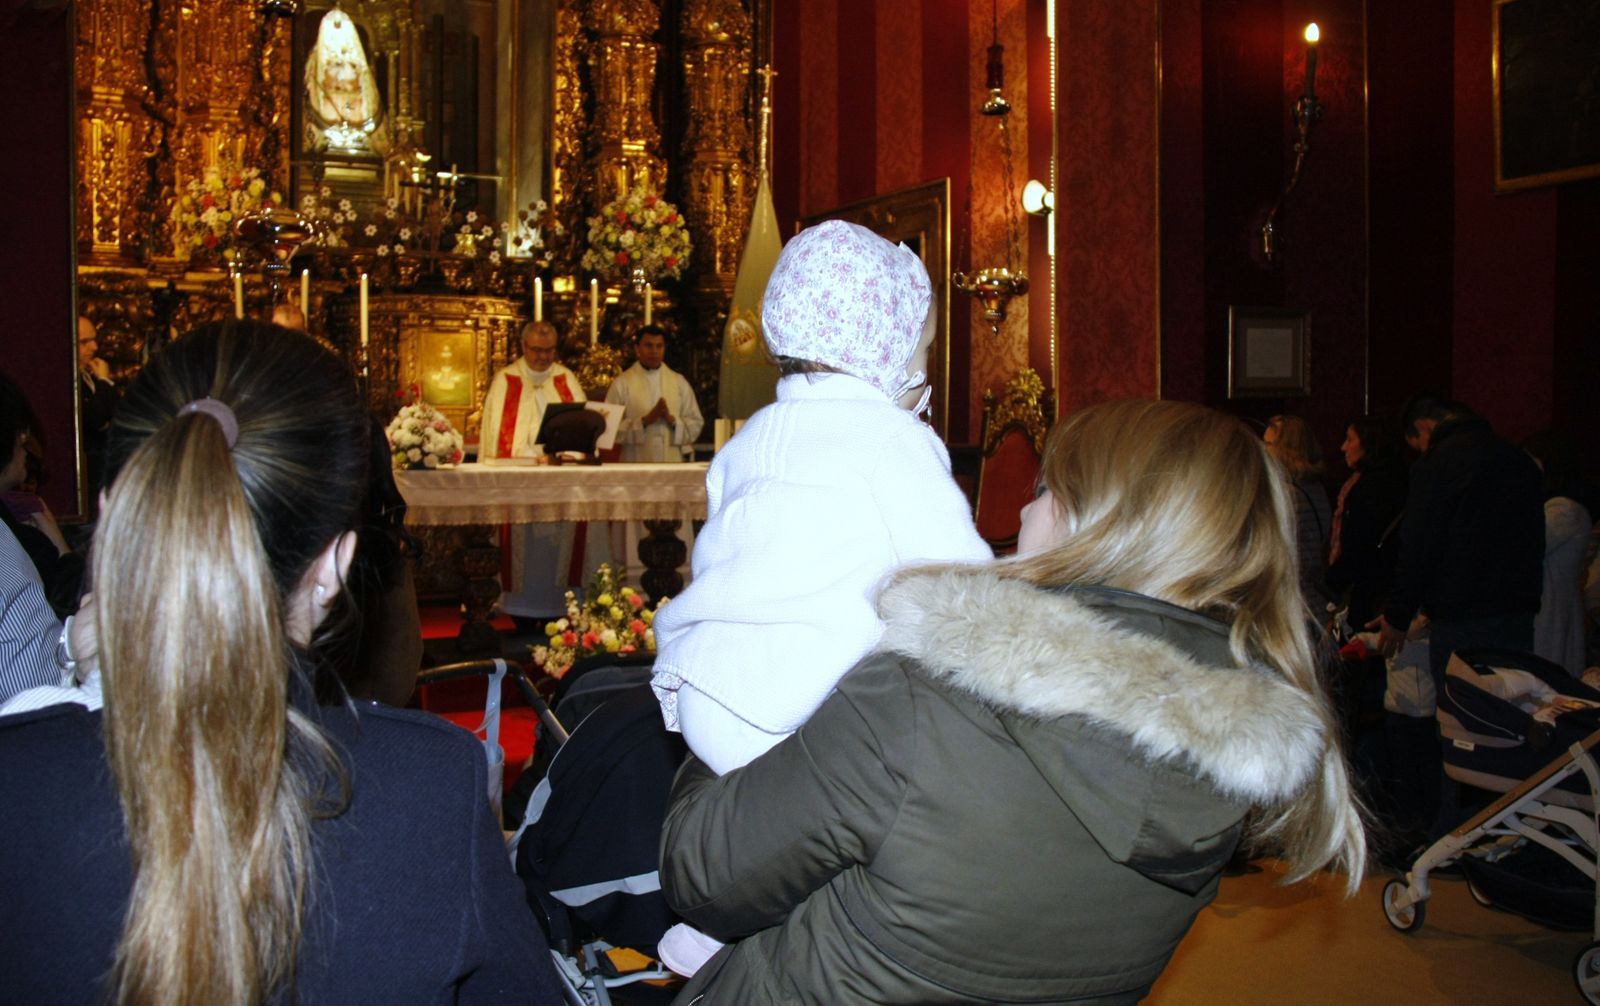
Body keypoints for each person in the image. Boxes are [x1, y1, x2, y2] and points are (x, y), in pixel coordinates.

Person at [659, 399, 1368, 1005]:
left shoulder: (915, 703)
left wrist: (719, 701)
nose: (1024, 507)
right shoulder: (1229, 767)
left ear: (1099, 525)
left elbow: (702, 875)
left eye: (1047, 488)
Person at [0, 322, 558, 1005]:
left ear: (116, 522)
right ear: (334, 566)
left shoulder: (18, 780)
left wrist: (72, 672)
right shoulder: (430, 786)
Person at [650, 220, 993, 975]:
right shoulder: (891, 441)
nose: (924, 368)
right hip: (797, 710)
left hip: (709, 693)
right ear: (883, 350)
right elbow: (958, 579)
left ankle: (716, 929)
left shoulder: (752, 437)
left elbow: (725, 549)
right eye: (921, 351)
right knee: (914, 747)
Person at [1375, 399, 1544, 684]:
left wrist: (1398, 615)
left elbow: (1419, 547)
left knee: (1461, 715)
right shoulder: (1518, 459)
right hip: (1517, 610)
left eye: (1418, 444)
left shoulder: (1437, 464)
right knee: (1513, 707)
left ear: (1422, 425)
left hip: (1461, 614)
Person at [479, 320, 589, 617]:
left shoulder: (566, 379)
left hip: (559, 480)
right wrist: (526, 457)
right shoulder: (506, 380)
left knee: (557, 549)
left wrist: (562, 455)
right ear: (524, 347)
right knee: (522, 548)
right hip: (518, 480)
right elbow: (493, 436)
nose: (543, 356)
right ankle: (517, 606)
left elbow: (583, 431)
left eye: (549, 350)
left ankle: (559, 605)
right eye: (537, 350)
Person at [1326, 415, 1408, 630]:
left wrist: (1333, 581)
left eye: (1350, 439)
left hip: (1369, 590)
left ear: (1369, 443)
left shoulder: (1368, 488)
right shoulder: (1403, 477)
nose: (1343, 447)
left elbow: (1358, 542)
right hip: (1390, 586)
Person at [1522, 429, 1593, 675]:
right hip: (1546, 611)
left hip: (1551, 612)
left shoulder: (1564, 510)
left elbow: (1525, 545)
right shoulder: (1554, 508)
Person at [1263, 414, 1334, 618]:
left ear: (1285, 449)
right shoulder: (1315, 488)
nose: (1263, 450)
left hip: (1290, 604)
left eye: (1268, 444)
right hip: (1314, 601)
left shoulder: (1287, 494)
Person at [604, 325, 704, 463]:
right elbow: (608, 427)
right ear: (637, 349)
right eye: (648, 345)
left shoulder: (678, 382)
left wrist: (672, 420)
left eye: (659, 346)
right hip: (635, 462)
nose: (654, 351)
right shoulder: (622, 383)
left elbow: (695, 423)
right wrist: (644, 421)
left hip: (672, 462)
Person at [77, 315, 117, 506]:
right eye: (85, 342)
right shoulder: (74, 381)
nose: (94, 348)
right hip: (86, 473)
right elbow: (97, 419)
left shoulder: (89, 375)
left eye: (94, 340)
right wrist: (104, 383)